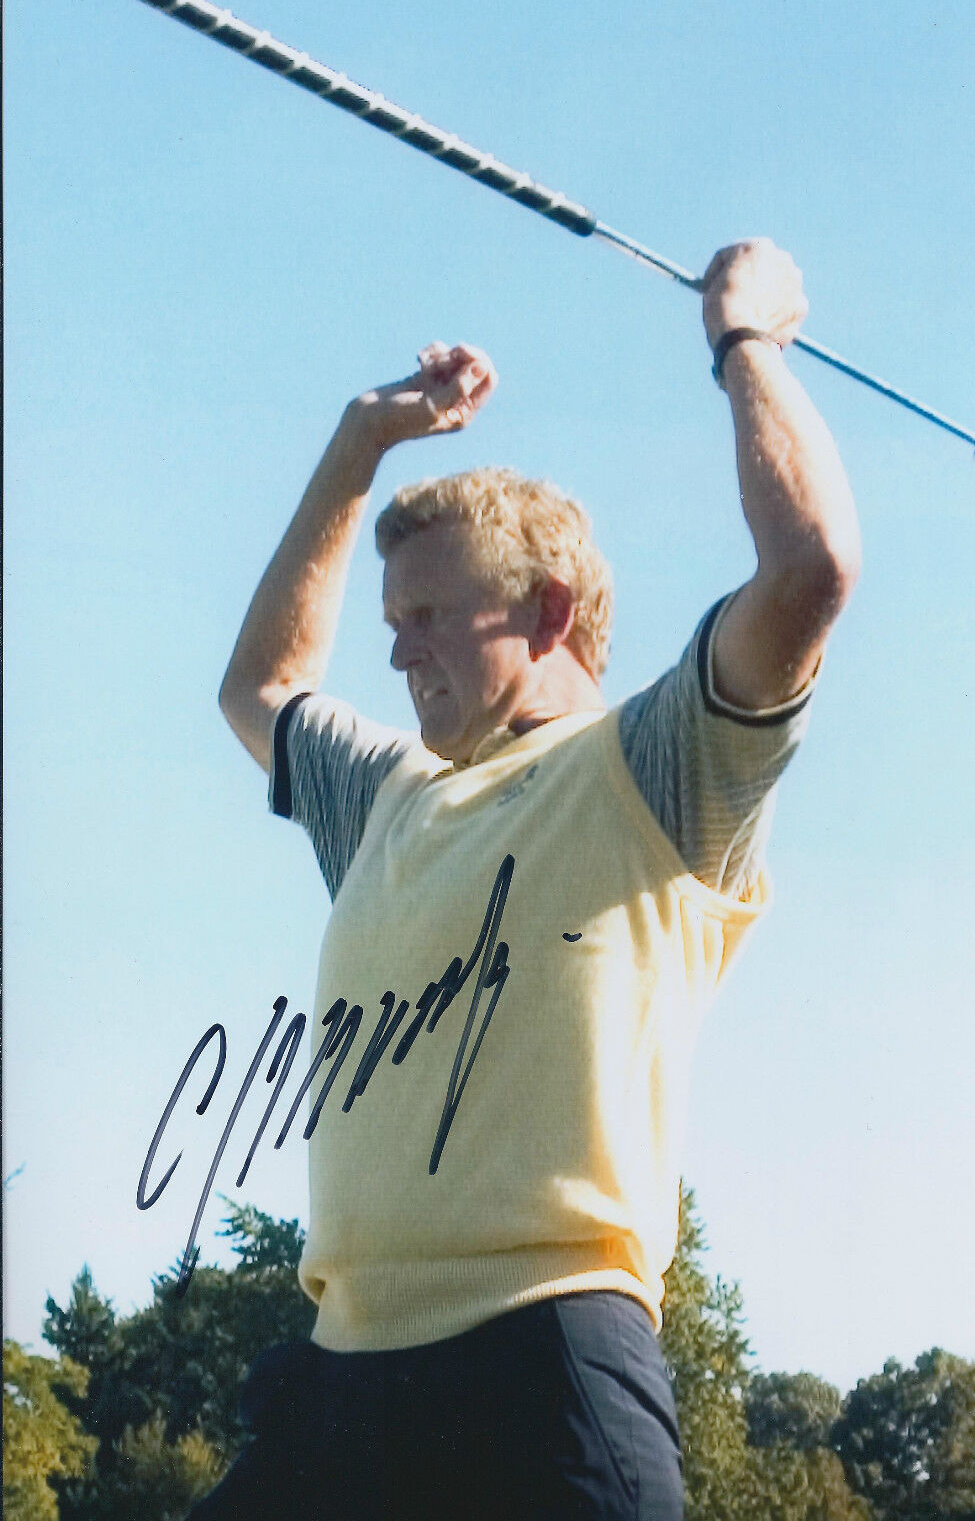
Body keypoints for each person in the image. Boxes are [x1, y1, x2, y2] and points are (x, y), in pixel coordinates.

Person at [202, 238, 860, 1520]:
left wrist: (748, 345)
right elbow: (261, 690)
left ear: (550, 614)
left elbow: (809, 572)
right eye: (391, 629)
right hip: (339, 1383)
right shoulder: (389, 794)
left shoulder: (657, 767)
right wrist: (358, 444)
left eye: (429, 619)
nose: (397, 657)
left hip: (544, 1366)